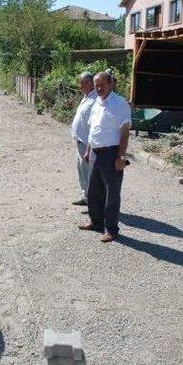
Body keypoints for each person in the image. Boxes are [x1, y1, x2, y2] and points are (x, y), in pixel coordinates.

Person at [80, 71, 131, 242]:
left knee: (111, 193)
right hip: (95, 152)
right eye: (96, 85)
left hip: (111, 153)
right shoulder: (96, 102)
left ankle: (111, 229)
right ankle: (96, 222)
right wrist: (88, 149)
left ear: (111, 84)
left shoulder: (119, 103)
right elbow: (93, 129)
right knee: (94, 190)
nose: (99, 88)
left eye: (102, 84)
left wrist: (121, 156)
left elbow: (124, 132)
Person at [70, 71, 97, 206]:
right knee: (82, 171)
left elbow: (94, 126)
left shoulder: (95, 100)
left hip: (87, 143)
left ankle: (92, 201)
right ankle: (85, 197)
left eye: (82, 83)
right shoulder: (87, 96)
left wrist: (89, 147)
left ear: (90, 83)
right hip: (80, 141)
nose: (79, 86)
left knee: (89, 173)